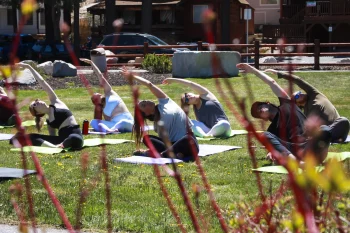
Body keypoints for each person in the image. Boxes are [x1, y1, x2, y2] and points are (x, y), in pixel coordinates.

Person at [237, 63, 331, 164]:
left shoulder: (287, 103)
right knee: (265, 135)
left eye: (260, 107)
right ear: (263, 119)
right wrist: (271, 153)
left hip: (308, 144)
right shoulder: (272, 130)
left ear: (267, 103)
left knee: (325, 129)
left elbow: (272, 82)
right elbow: (275, 145)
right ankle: (298, 163)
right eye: (258, 113)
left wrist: (253, 70)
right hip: (293, 150)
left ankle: (317, 158)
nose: (260, 110)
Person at [122, 67, 199, 162]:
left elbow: (149, 85)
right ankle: (173, 154)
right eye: (144, 104)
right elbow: (166, 143)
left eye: (145, 101)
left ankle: (163, 154)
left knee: (188, 139)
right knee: (147, 138)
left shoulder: (165, 102)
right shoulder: (156, 125)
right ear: (146, 113)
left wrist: (133, 77)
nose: (147, 101)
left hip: (187, 144)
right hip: (171, 146)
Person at [265, 69, 349, 143]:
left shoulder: (315, 95)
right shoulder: (305, 115)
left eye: (299, 93)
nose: (300, 94)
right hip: (324, 135)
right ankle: (326, 138)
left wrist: (280, 73)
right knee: (321, 130)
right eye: (297, 96)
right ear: (297, 104)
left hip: (338, 129)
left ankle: (326, 137)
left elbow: (299, 81)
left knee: (344, 120)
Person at [11, 63, 83, 150]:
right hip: (61, 139)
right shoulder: (49, 122)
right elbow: (52, 138)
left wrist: (29, 67)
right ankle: (57, 147)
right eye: (35, 104)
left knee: (73, 137)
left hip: (75, 136)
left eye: (37, 100)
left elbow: (42, 82)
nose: (38, 102)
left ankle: (62, 145)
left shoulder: (55, 102)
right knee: (32, 136)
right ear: (38, 113)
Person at [162, 78, 232, 138]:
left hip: (223, 127)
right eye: (187, 100)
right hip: (209, 129)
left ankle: (207, 135)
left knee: (224, 124)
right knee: (191, 122)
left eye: (187, 95)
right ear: (189, 104)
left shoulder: (205, 95)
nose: (188, 97)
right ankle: (206, 135)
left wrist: (173, 80)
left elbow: (190, 84)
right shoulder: (196, 109)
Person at [80, 58, 134, 133]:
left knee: (123, 122)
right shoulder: (103, 110)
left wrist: (91, 63)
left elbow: (100, 76)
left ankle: (112, 130)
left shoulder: (109, 92)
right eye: (95, 95)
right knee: (93, 122)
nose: (98, 93)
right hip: (114, 124)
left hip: (127, 122)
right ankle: (111, 130)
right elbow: (106, 121)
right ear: (95, 101)